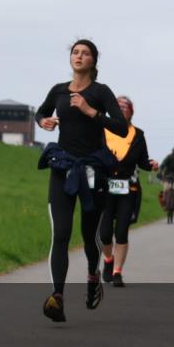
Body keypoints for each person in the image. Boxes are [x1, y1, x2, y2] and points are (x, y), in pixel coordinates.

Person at [35, 40, 128, 322]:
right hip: (63, 167)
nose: (79, 56)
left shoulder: (101, 92)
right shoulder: (59, 91)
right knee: (61, 233)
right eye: (75, 52)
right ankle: (57, 296)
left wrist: (91, 112)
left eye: (85, 53)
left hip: (93, 170)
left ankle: (92, 276)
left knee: (90, 236)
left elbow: (122, 128)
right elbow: (41, 112)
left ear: (93, 61)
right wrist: (44, 122)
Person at [99, 96, 157, 288]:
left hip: (128, 188)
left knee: (121, 231)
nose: (122, 108)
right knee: (105, 232)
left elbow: (143, 161)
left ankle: (117, 272)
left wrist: (151, 165)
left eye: (126, 106)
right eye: (118, 106)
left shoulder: (138, 135)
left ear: (131, 111)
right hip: (105, 188)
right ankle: (108, 259)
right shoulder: (102, 130)